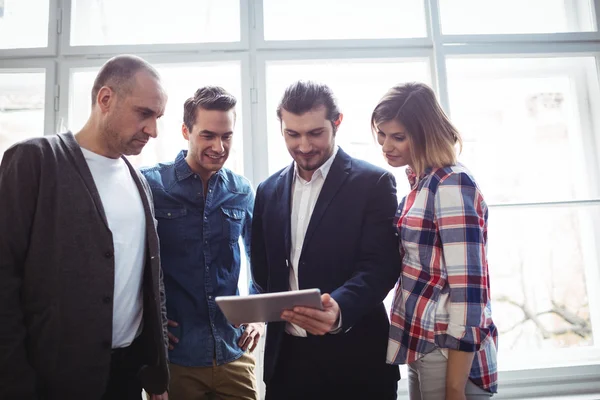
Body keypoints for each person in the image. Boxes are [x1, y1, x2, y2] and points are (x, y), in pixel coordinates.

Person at [0, 54, 170, 400]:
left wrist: (156, 372)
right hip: (52, 379)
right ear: (105, 99)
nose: (153, 130)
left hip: (126, 374)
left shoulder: (139, 181)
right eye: (144, 113)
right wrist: (14, 383)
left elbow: (150, 280)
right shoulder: (35, 161)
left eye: (158, 117)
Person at [251, 80, 401, 400]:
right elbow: (263, 270)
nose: (304, 145)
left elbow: (381, 267)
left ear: (337, 123)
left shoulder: (374, 183)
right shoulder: (267, 191)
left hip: (357, 363)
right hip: (286, 366)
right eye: (293, 134)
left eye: (315, 133)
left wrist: (339, 309)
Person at [372, 82, 498, 400]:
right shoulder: (421, 184)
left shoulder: (452, 184)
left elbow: (470, 293)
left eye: (398, 137)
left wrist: (454, 387)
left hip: (448, 353)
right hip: (423, 345)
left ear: (425, 134)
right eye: (381, 134)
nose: (386, 145)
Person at [141, 86, 262, 400]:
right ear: (186, 131)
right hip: (176, 357)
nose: (218, 147)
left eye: (227, 136)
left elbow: (258, 256)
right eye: (208, 135)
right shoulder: (150, 184)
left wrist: (258, 314)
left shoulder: (241, 190)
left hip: (233, 351)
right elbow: (128, 262)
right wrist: (146, 324)